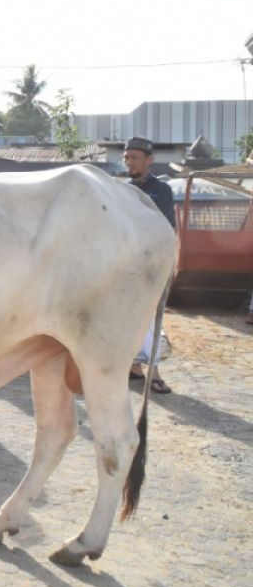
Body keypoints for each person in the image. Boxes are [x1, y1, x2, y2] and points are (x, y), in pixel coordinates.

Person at [124, 136, 174, 395]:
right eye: (127, 157)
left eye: (134, 157)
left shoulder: (161, 190)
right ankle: (134, 367)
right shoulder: (120, 188)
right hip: (123, 264)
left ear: (149, 160)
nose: (129, 161)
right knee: (126, 318)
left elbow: (167, 229)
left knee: (151, 319)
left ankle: (153, 373)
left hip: (151, 263)